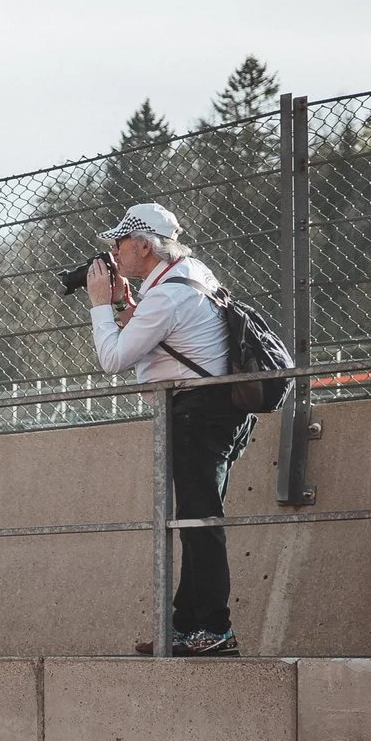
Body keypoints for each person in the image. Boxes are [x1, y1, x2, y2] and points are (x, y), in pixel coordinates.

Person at [83, 203, 247, 655]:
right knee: (194, 519)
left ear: (143, 245)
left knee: (200, 522)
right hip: (212, 412)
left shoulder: (168, 295)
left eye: (119, 243)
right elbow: (175, 337)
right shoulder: (189, 274)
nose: (113, 252)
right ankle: (186, 626)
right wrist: (132, 308)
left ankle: (214, 628)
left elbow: (114, 359)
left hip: (199, 414)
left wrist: (102, 306)